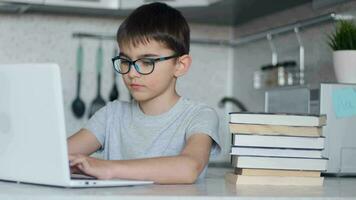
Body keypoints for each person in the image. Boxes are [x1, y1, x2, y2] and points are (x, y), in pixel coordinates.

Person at [68, 2, 221, 184]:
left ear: (180, 65)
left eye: (147, 62)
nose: (132, 73)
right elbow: (56, 156)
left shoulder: (199, 115)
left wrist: (108, 168)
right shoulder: (112, 114)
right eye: (125, 61)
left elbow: (189, 168)